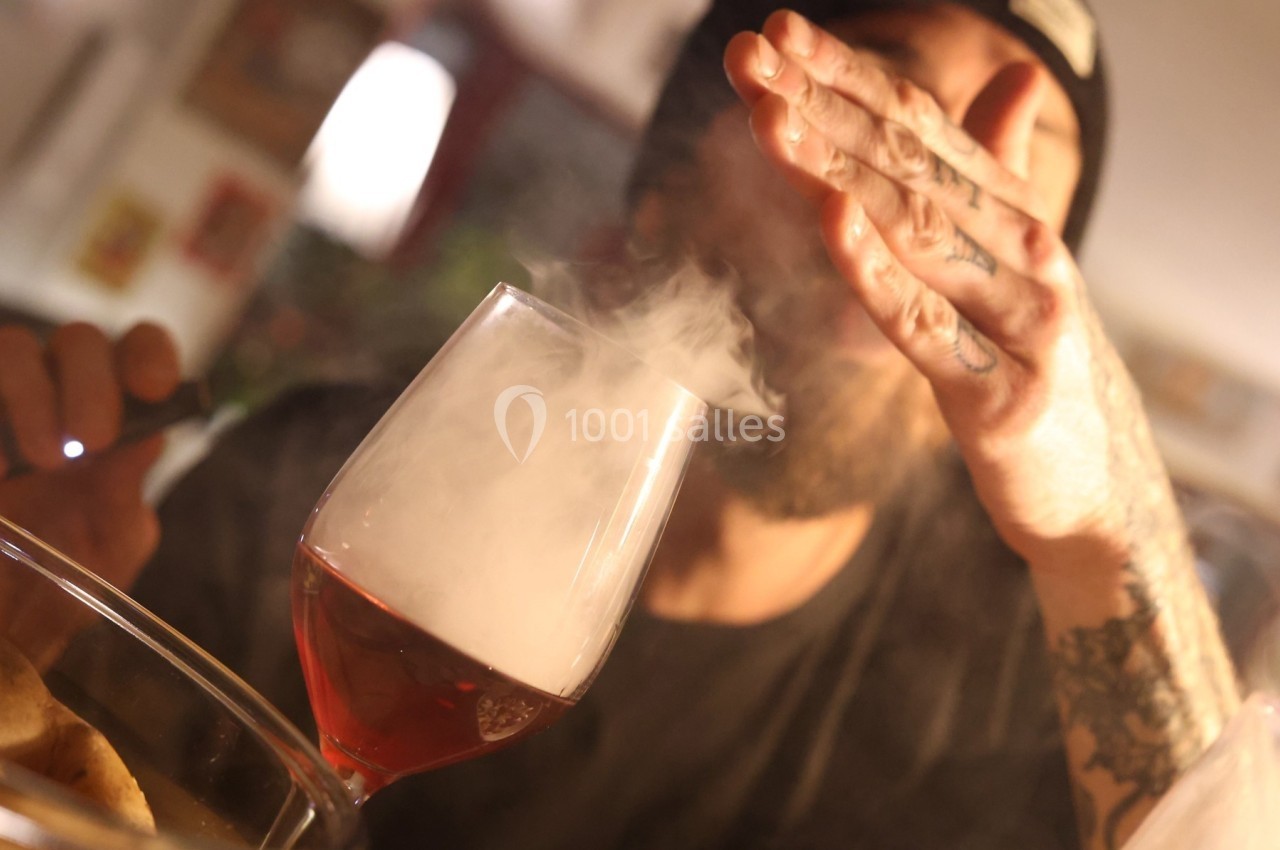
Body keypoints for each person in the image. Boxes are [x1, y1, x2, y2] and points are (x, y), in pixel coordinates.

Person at [0, 1, 1241, 847]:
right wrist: (37, 634)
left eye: (1000, 192)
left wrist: (1111, 524)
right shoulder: (335, 488)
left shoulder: (1017, 700)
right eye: (881, 114)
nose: (923, 223)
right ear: (669, 183)